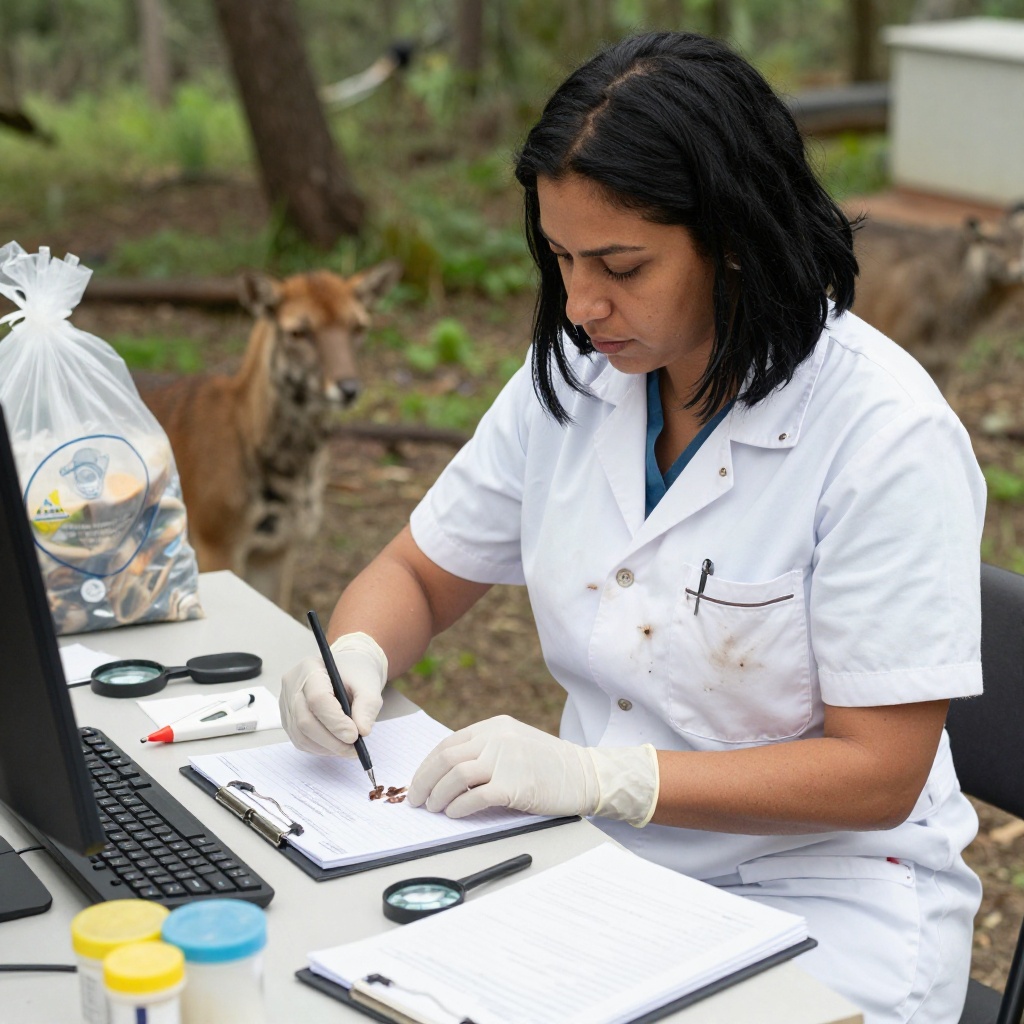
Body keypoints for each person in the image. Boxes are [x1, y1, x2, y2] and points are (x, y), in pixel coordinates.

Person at [279, 31, 985, 1024]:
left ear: (734, 237)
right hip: (597, 871)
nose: (578, 304)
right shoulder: (581, 378)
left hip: (826, 905)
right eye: (561, 257)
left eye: (619, 263)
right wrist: (353, 654)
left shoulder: (882, 435)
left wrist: (604, 777)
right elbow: (420, 572)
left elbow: (878, 772)